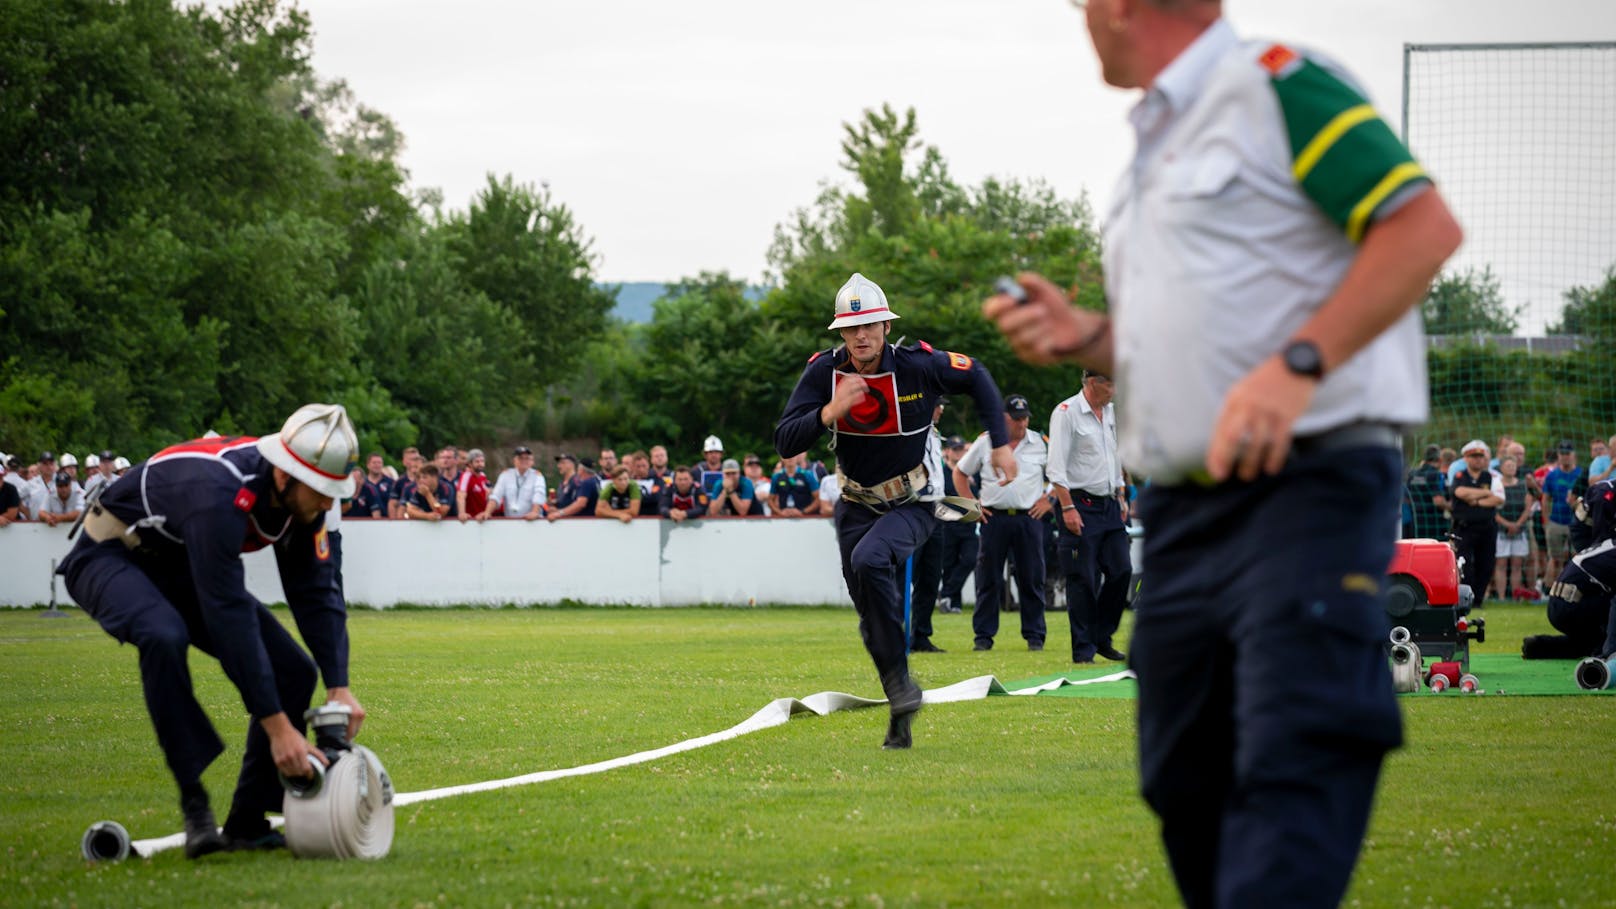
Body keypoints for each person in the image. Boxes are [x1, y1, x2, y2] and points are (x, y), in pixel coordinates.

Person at [981, 1, 1463, 904]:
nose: (1081, 16)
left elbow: (1422, 227)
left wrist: (1299, 364)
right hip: (1185, 506)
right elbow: (1187, 337)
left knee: (1296, 743)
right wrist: (1088, 331)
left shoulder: (1276, 85)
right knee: (1180, 768)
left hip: (1305, 482)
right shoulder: (1155, 146)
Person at [56, 404, 365, 857]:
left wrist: (339, 685)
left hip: (180, 564)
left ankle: (247, 822)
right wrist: (278, 727)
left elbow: (317, 590)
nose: (327, 502)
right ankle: (195, 804)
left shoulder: (302, 497)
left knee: (295, 672)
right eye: (321, 491)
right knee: (162, 634)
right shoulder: (217, 490)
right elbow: (227, 614)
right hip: (109, 555)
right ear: (285, 476)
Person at [775, 272, 1014, 749]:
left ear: (886, 327)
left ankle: (902, 693)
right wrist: (828, 412)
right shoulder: (824, 372)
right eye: (851, 328)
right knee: (871, 616)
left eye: (871, 326)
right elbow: (785, 441)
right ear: (841, 332)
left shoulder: (920, 365)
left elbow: (979, 375)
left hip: (915, 502)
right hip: (855, 505)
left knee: (869, 561)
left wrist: (1002, 445)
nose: (861, 336)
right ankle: (901, 705)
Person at [954, 394, 1051, 651]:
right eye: (1017, 418)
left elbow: (1060, 473)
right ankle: (983, 638)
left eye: (1025, 417)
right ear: (1003, 418)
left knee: (1032, 578)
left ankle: (1035, 636)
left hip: (1028, 518)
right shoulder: (986, 441)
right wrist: (972, 506)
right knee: (988, 579)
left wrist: (1049, 499)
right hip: (993, 518)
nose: (1022, 423)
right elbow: (960, 472)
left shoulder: (1039, 442)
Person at [1049, 370, 1131, 664]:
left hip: (1109, 504)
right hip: (1079, 504)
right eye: (1112, 383)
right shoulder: (1067, 412)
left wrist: (1120, 494)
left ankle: (1101, 636)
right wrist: (1068, 507)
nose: (1116, 389)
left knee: (1122, 570)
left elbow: (1115, 457)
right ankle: (1084, 650)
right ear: (1093, 382)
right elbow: (1056, 466)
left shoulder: (1110, 413)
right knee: (1081, 578)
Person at [1450, 440, 1503, 608]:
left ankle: (1478, 599)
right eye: (1474, 457)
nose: (1478, 460)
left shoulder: (1491, 476)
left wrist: (1476, 501)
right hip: (1464, 527)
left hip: (1487, 527)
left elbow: (1498, 498)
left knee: (1486, 564)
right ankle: (1465, 597)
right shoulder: (1460, 476)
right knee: (1464, 563)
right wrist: (1485, 493)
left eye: (1480, 457)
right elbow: (1460, 492)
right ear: (1466, 458)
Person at [936, 435, 979, 615]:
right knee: (949, 564)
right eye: (955, 449)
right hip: (948, 524)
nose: (959, 453)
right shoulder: (941, 472)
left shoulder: (969, 474)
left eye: (961, 449)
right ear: (947, 451)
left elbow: (977, 497)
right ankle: (953, 603)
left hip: (967, 524)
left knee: (970, 559)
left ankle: (945, 593)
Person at [1492, 454, 1530, 601]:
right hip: (1501, 530)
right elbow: (1493, 510)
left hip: (1519, 530)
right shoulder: (1496, 485)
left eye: (1513, 466)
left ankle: (1516, 597)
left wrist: (1518, 524)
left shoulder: (1522, 485)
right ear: (1501, 468)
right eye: (1508, 466)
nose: (1511, 468)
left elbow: (1528, 507)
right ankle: (1501, 598)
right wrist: (1507, 525)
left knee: (1517, 564)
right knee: (1500, 563)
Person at [1543, 441, 1580, 582]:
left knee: (1577, 557)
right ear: (1558, 455)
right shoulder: (1552, 476)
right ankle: (1552, 590)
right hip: (1556, 522)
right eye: (1562, 454)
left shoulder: (1580, 474)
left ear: (1573, 455)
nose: (1565, 457)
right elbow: (1545, 499)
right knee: (1555, 558)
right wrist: (1546, 522)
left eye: (1567, 454)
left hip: (1576, 521)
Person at [487, 446, 547, 521]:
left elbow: (539, 494)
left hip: (531, 522)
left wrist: (534, 512)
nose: (524, 460)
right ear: (514, 460)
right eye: (520, 458)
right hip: (511, 522)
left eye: (527, 458)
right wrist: (487, 512)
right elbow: (496, 495)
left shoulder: (537, 476)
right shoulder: (505, 475)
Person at [1405, 444, 1450, 541]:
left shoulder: (1412, 474)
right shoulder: (1435, 474)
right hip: (1434, 522)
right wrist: (1452, 506)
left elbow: (1407, 497)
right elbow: (1438, 501)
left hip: (1415, 521)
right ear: (1439, 459)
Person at [456, 449, 491, 522]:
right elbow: (461, 495)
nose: (480, 464)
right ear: (470, 464)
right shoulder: (466, 476)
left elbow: (487, 495)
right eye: (477, 461)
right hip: (471, 520)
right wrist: (462, 513)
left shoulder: (483, 475)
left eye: (482, 461)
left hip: (482, 518)